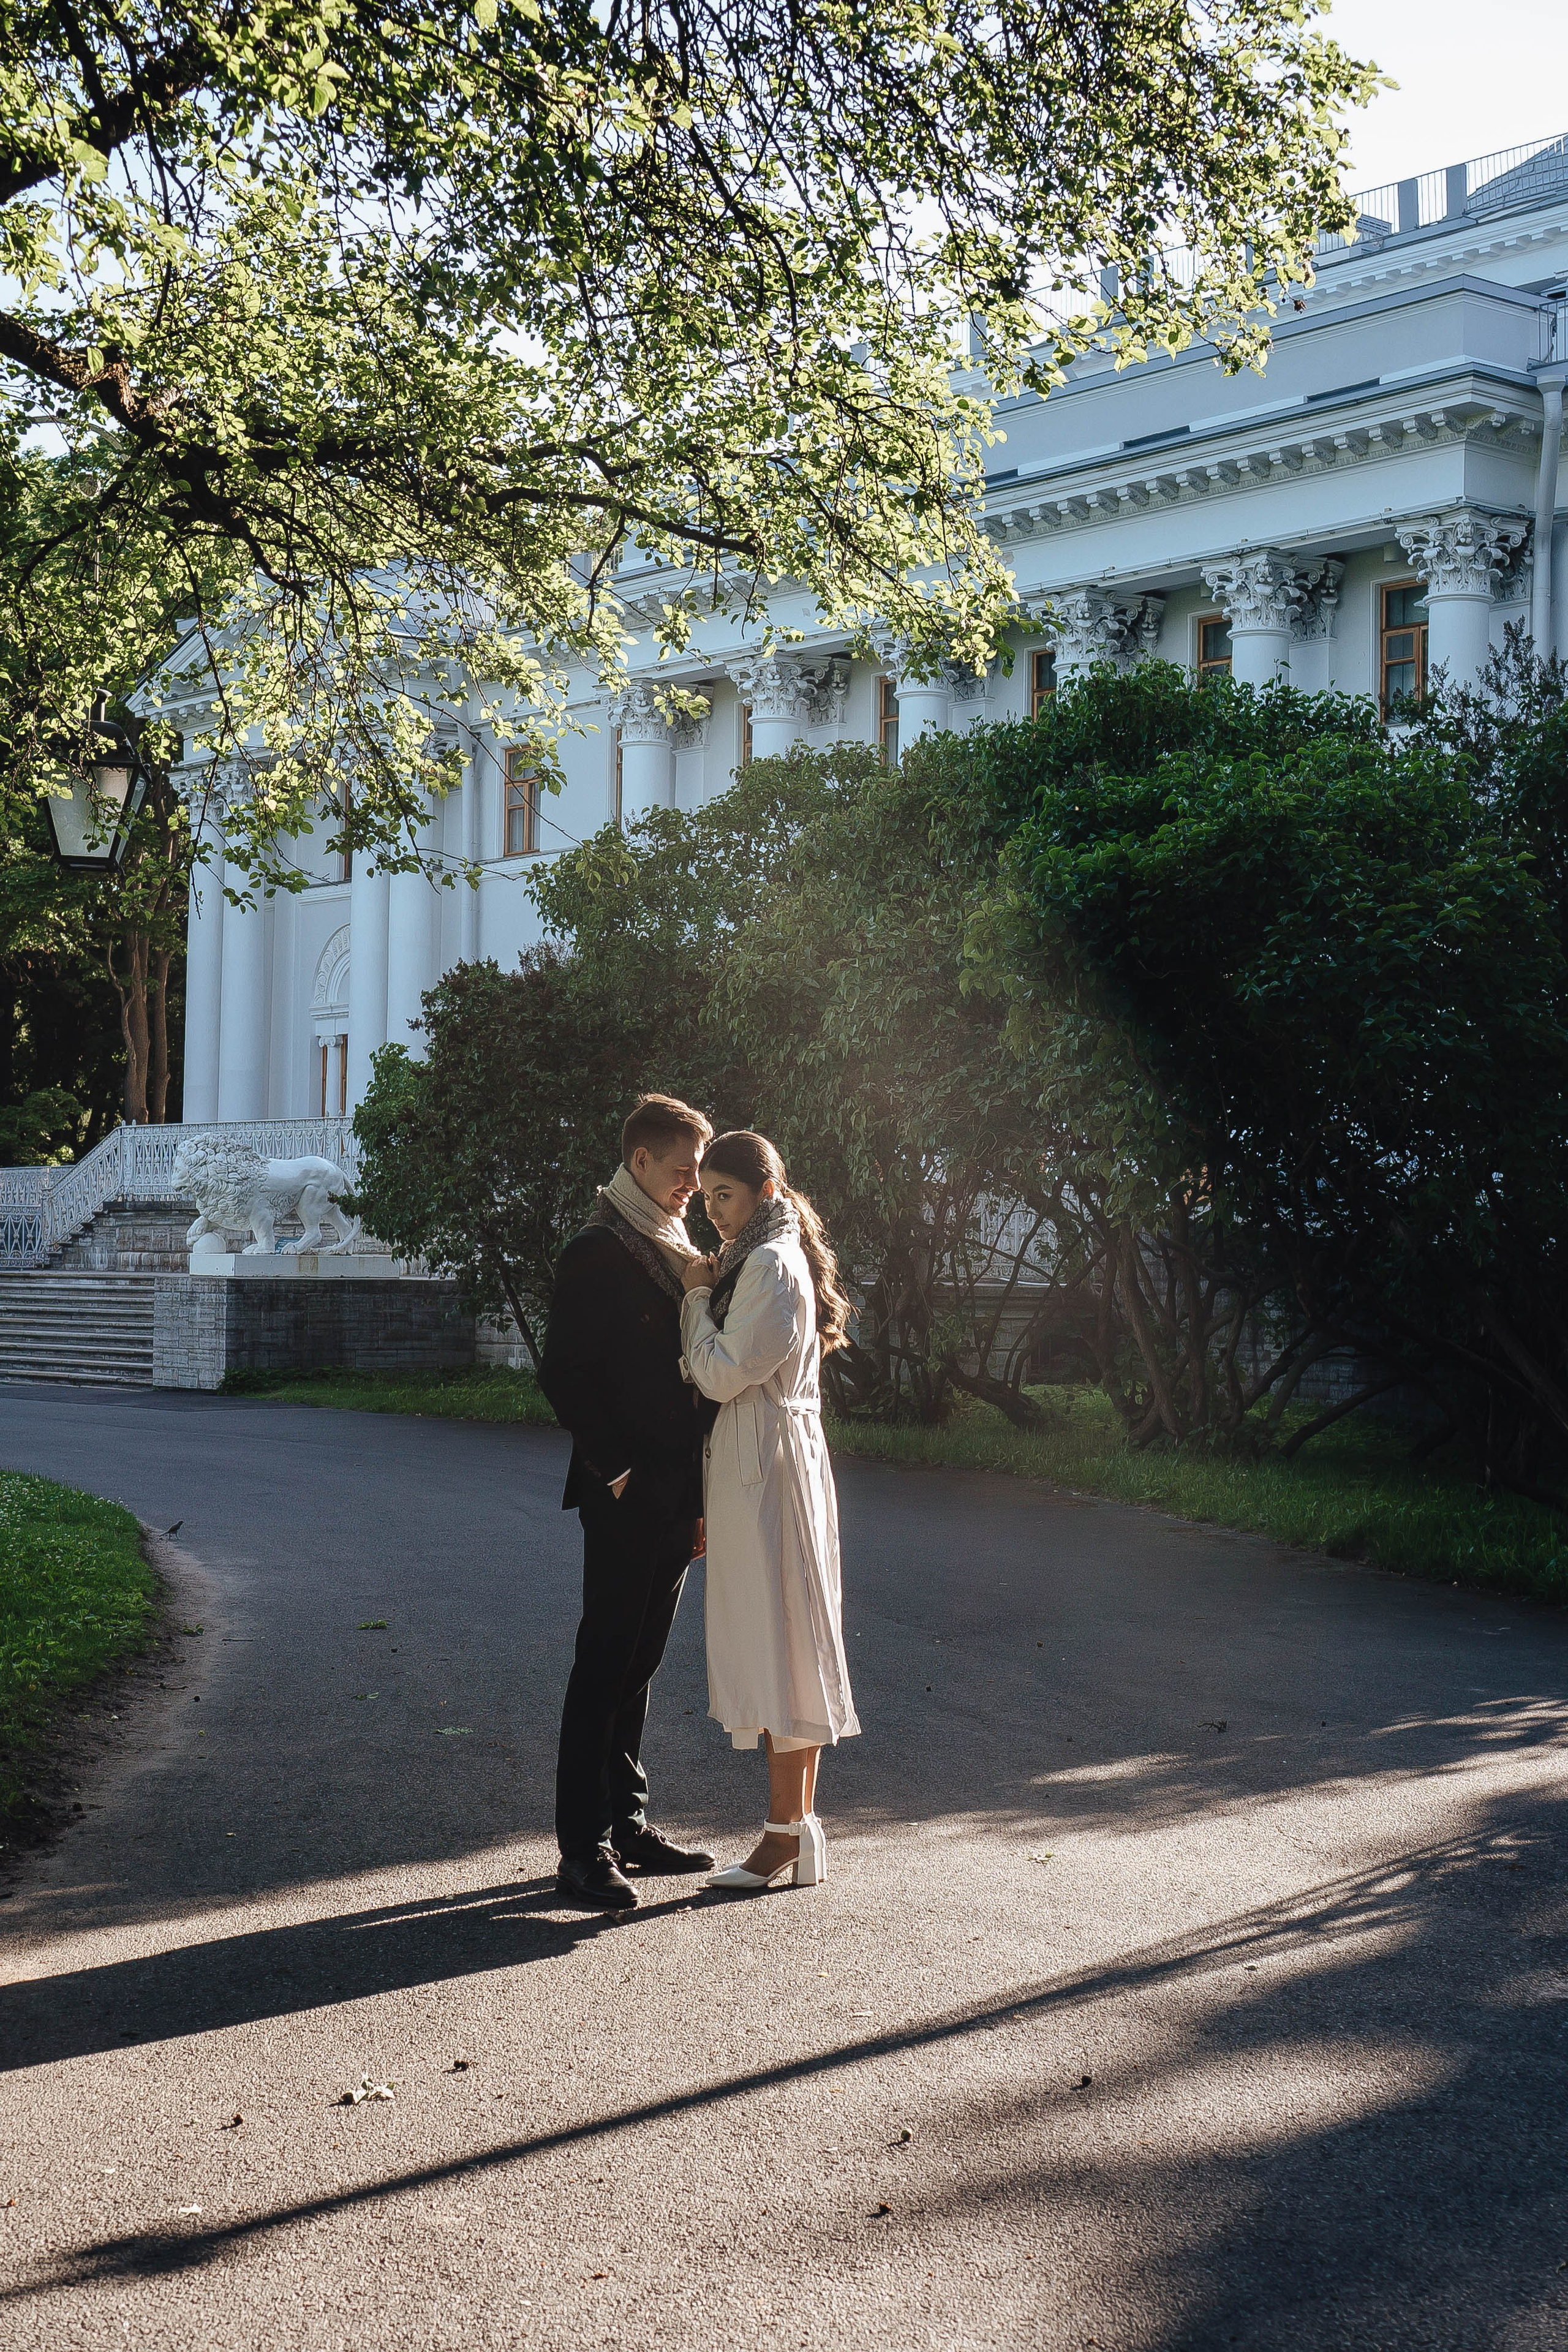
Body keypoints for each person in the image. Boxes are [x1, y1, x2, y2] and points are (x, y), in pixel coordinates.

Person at [540, 1093, 718, 1911]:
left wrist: (701, 1497)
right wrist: (615, 1474)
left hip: (679, 1492)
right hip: (624, 1494)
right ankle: (583, 1849)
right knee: (603, 1662)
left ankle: (629, 1822)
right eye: (683, 1170)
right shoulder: (598, 1247)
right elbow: (565, 1374)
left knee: (641, 1666)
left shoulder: (677, 1244)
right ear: (642, 1161)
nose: (694, 1185)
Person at [679, 1131, 860, 1890]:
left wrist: (692, 1297)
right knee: (784, 1642)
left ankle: (786, 1832)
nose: (713, 1211)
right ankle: (797, 1827)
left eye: (725, 1195)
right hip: (772, 1463)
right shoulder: (763, 1259)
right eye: (707, 1197)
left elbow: (721, 1374)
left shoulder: (769, 1265)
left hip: (769, 1470)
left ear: (765, 1193)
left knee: (781, 1646)